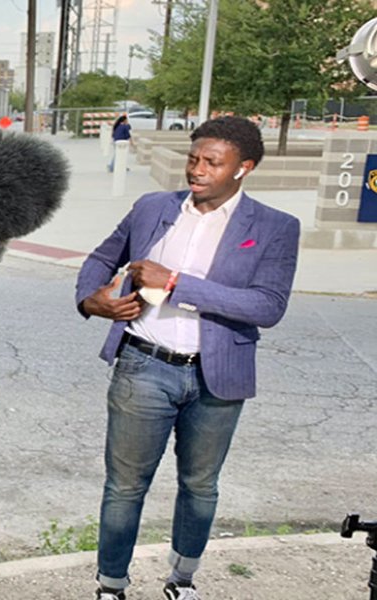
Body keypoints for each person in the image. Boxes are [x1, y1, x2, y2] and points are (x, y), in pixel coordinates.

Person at [75, 116, 300, 600]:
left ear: (243, 168)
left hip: (217, 376)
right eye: (194, 159)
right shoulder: (153, 207)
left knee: (200, 487)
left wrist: (176, 283)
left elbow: (267, 306)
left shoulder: (275, 228)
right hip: (143, 364)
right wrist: (91, 300)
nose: (197, 170)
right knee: (125, 486)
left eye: (212, 163)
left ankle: (181, 581)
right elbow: (101, 259)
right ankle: (111, 586)